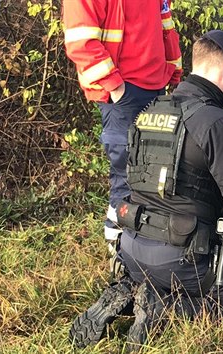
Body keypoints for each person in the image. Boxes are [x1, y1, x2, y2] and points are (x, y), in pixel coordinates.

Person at [69, 30, 223, 350]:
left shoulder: (149, 113)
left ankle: (136, 292)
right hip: (185, 258)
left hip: (133, 250)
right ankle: (167, 307)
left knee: (163, 273)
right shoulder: (216, 122)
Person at [62, 0, 183, 255]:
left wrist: (173, 71)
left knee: (154, 176)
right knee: (127, 177)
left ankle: (145, 249)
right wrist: (115, 87)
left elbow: (164, 22)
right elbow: (79, 39)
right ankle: (118, 251)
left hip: (156, 86)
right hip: (124, 91)